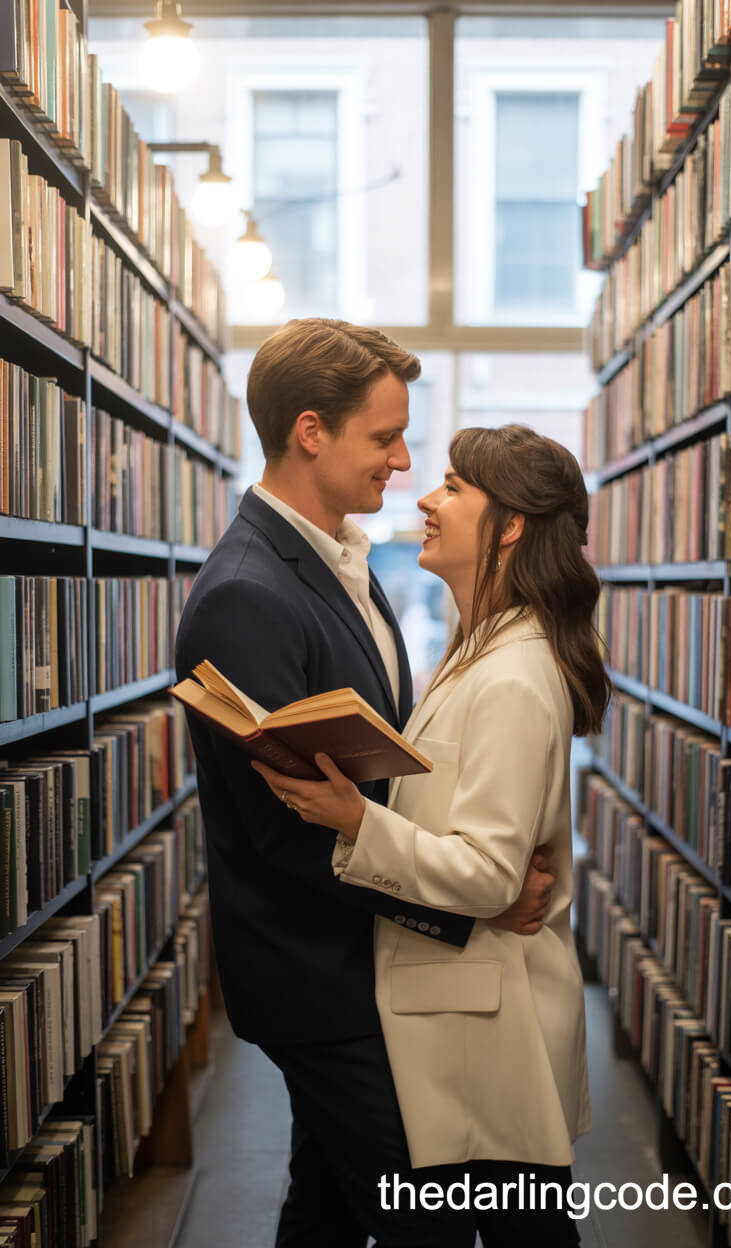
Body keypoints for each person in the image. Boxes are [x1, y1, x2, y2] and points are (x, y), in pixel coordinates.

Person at [174, 321, 555, 1248]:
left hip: (363, 960)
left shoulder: (344, 558)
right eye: (385, 436)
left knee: (330, 1210)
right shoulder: (246, 595)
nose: (403, 458)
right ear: (312, 431)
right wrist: (465, 907)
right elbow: (288, 831)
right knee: (426, 1223)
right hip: (322, 979)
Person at [253, 422, 611, 1245]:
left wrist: (356, 820)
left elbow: (488, 876)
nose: (426, 497)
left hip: (489, 1029)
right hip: (463, 1016)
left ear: (512, 524)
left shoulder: (515, 676)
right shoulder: (478, 646)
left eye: (453, 486)